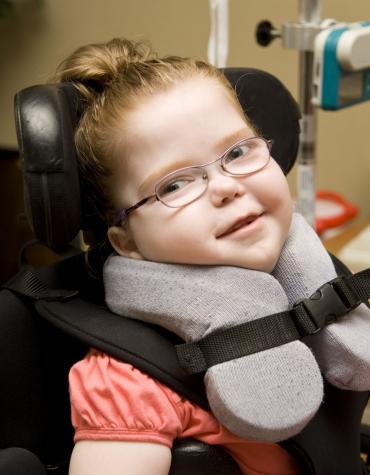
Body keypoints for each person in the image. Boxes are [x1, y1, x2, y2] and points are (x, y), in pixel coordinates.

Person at [54, 37, 370, 475]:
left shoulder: (320, 286)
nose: (225, 187)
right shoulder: (129, 380)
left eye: (238, 152)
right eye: (175, 185)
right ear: (127, 242)